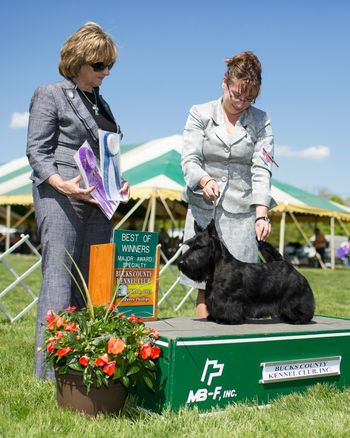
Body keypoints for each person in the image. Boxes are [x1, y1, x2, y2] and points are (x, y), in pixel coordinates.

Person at [27, 22, 130, 379]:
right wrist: (62, 184)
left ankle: (86, 366)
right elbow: (37, 151)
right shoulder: (51, 93)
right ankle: (49, 374)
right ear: (78, 60)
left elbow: (107, 155)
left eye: (109, 66)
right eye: (99, 65)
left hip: (99, 202)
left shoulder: (104, 105)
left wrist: (118, 182)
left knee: (96, 282)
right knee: (60, 280)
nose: (105, 73)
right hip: (61, 197)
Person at [181, 51, 276, 317]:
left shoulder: (261, 120)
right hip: (204, 211)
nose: (242, 102)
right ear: (225, 83)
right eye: (237, 94)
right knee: (205, 287)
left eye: (250, 98)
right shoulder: (199, 113)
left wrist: (262, 215)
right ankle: (204, 348)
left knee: (241, 290)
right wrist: (203, 178)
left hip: (242, 214)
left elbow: (261, 169)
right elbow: (189, 158)